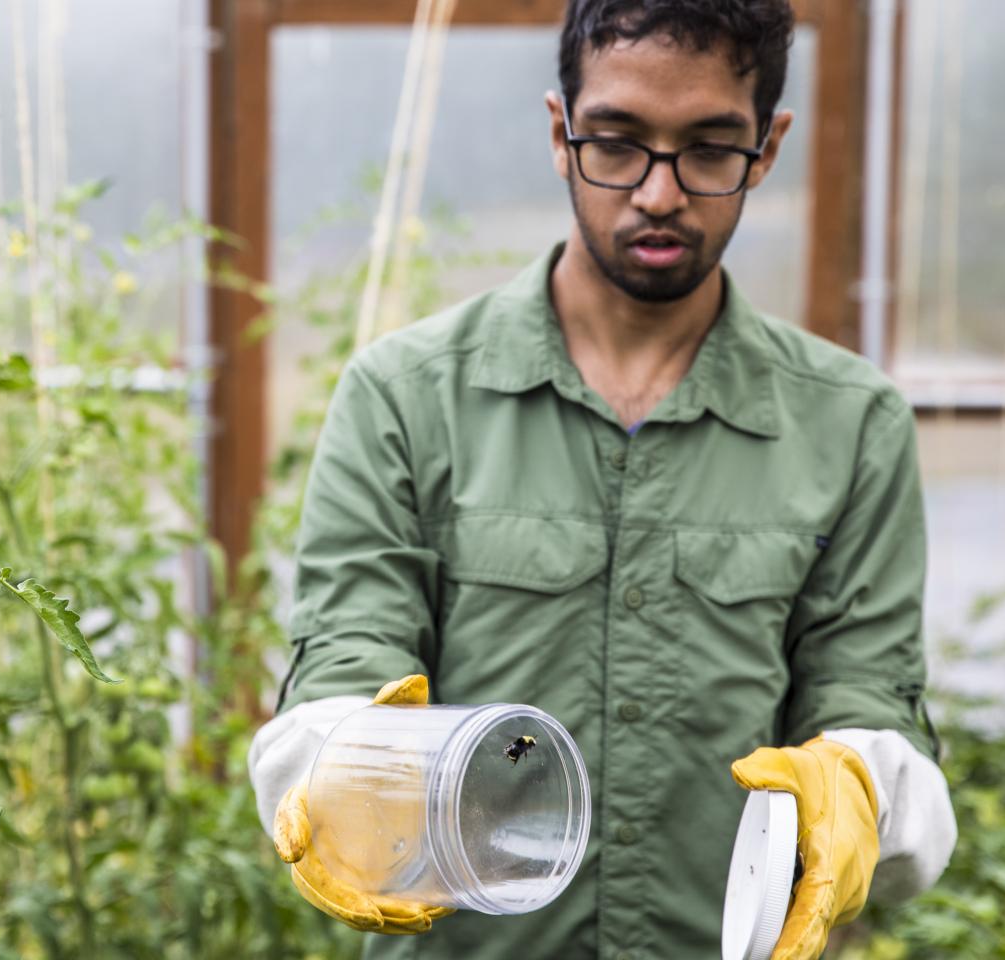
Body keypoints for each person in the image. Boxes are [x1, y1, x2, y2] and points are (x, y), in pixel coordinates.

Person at [249, 1, 957, 957]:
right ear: (560, 132)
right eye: (618, 144)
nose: (659, 195)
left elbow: (869, 702)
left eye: (710, 149)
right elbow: (346, 668)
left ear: (769, 144)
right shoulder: (405, 397)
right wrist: (335, 768)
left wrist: (862, 784)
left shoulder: (850, 423)